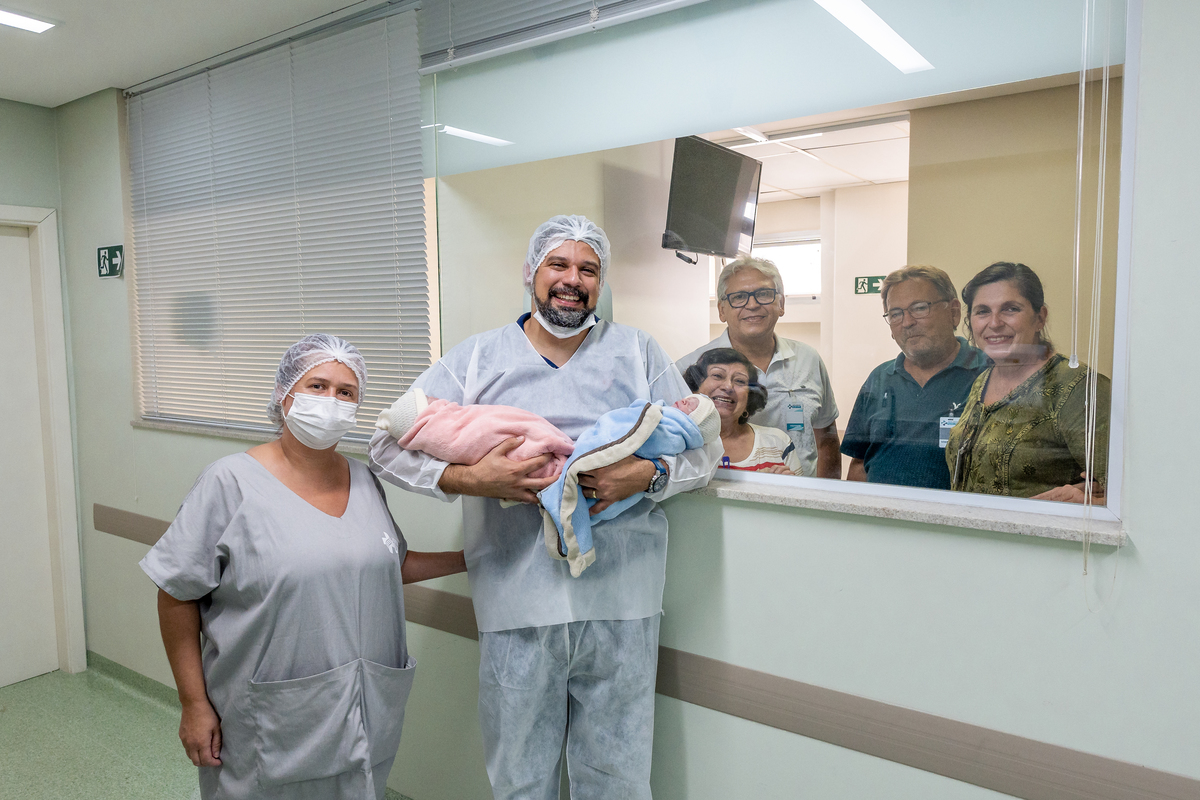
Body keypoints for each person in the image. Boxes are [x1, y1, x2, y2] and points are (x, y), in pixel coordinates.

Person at [369, 215, 721, 800]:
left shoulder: (637, 352)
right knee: (520, 776)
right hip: (516, 601)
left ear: (600, 282)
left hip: (621, 600)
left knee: (618, 776)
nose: (572, 280)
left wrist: (646, 474)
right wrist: (472, 478)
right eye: (559, 264)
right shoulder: (478, 358)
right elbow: (385, 445)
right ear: (532, 272)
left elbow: (703, 449)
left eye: (589, 269)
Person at [140, 334, 467, 800]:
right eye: (317, 386)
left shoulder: (364, 479)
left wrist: (470, 558)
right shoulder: (229, 483)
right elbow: (176, 592)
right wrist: (193, 703)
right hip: (270, 721)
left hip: (362, 713)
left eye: (346, 392)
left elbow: (388, 565)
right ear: (284, 393)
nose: (331, 401)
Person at [945, 262, 1111, 501]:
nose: (994, 323)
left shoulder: (1078, 387)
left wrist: (1091, 502)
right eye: (982, 311)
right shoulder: (982, 381)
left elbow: (1134, 493)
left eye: (1010, 309)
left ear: (1040, 318)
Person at [676, 256, 840, 478]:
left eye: (763, 294)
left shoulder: (808, 359)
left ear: (781, 304)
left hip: (800, 493)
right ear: (721, 310)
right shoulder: (690, 369)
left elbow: (826, 439)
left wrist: (826, 495)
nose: (752, 305)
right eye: (739, 297)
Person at [840, 266, 990, 489]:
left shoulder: (989, 373)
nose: (907, 322)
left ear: (954, 312)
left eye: (919, 308)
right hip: (881, 510)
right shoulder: (879, 379)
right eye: (895, 314)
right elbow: (860, 462)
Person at [683, 347, 801, 475]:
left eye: (740, 381)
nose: (728, 386)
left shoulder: (778, 442)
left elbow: (799, 488)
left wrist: (787, 484)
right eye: (717, 376)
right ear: (694, 388)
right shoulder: (680, 442)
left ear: (750, 397)